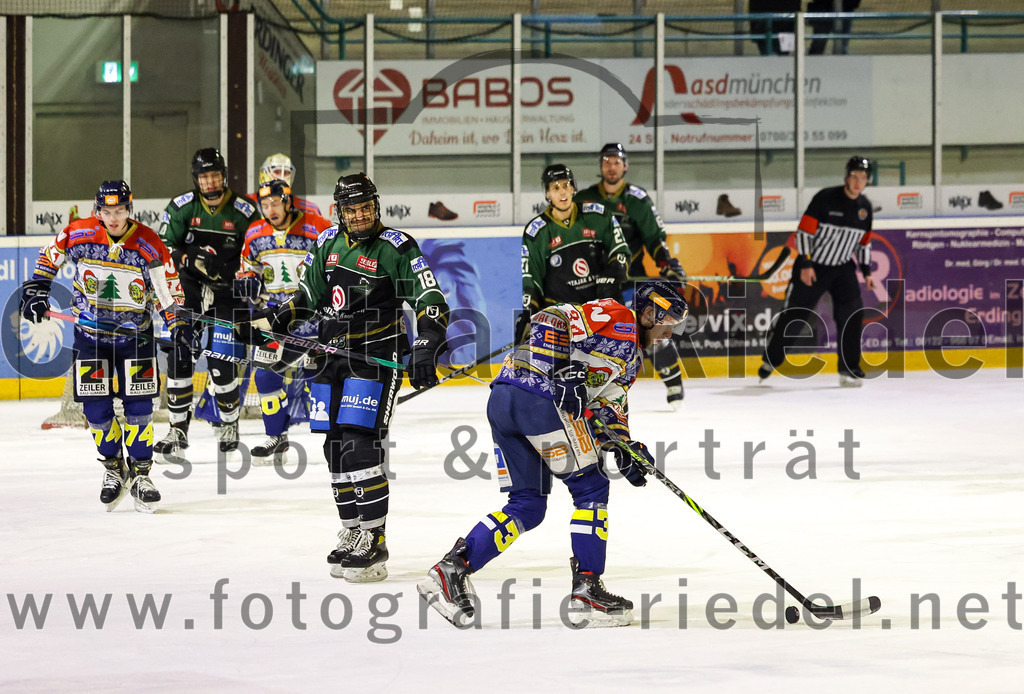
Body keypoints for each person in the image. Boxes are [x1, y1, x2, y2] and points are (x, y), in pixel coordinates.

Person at [417, 280, 689, 629]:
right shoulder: (618, 315)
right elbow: (550, 318)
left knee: (527, 505)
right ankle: (587, 590)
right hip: (536, 400)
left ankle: (452, 570)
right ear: (649, 312)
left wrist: (625, 447)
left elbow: (608, 410)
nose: (670, 334)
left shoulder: (631, 361)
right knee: (591, 488)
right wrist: (564, 371)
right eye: (669, 323)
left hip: (505, 400)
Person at [258, 173, 449, 582]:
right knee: (334, 447)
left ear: (376, 206)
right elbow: (308, 297)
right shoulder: (326, 242)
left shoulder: (396, 247)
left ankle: (375, 539)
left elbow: (430, 299)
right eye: (352, 209)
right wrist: (279, 318)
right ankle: (352, 530)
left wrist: (426, 343)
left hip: (374, 358)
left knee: (359, 444)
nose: (360, 215)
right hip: (329, 358)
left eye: (366, 208)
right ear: (340, 212)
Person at [20, 181, 186, 512]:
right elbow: (49, 257)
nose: (114, 218)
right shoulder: (79, 233)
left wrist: (177, 324)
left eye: (120, 211)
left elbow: (166, 290)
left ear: (129, 209)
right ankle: (114, 468)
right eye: (107, 212)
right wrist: (37, 289)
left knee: (140, 409)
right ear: (97, 210)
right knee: (95, 411)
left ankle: (141, 474)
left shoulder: (149, 243)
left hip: (135, 339)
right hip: (90, 338)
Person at [155, 147, 261, 455]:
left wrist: (234, 270)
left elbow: (257, 249)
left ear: (224, 176)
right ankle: (177, 429)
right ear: (196, 179)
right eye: (204, 177)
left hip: (228, 292)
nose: (210, 182)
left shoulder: (244, 211)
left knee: (222, 360)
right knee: (180, 355)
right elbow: (162, 248)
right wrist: (188, 258)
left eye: (215, 175)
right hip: (188, 290)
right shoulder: (181, 207)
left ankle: (229, 423)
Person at [575, 142, 689, 409]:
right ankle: (596, 390)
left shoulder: (636, 200)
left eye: (617, 162)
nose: (611, 167)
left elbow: (654, 238)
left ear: (625, 166)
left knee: (647, 329)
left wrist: (667, 264)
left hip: (629, 282)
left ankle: (673, 380)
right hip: (594, 285)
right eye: (607, 162)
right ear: (601, 166)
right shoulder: (585, 199)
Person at [233, 179, 334, 459]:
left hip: (315, 319)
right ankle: (276, 436)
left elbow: (336, 266)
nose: (271, 210)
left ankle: (335, 436)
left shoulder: (318, 227)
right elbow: (248, 268)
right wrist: (248, 281)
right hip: (275, 320)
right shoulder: (255, 233)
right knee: (265, 376)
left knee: (320, 380)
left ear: (288, 202)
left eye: (275, 203)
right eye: (265, 205)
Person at [759, 156, 876, 387]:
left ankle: (849, 367)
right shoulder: (826, 198)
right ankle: (771, 359)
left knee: (852, 314)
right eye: (854, 176)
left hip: (842, 267)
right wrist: (805, 263)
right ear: (847, 176)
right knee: (795, 316)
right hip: (814, 266)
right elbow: (804, 233)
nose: (858, 182)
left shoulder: (865, 208)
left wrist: (867, 271)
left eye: (863, 178)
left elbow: (864, 243)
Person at [516, 163, 629, 343]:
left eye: (566, 185)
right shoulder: (537, 233)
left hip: (598, 312)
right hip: (562, 317)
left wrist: (611, 276)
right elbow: (532, 281)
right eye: (555, 188)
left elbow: (620, 251)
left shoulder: (598, 216)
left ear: (573, 188)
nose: (562, 192)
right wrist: (530, 315)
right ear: (547, 194)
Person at [250, 153, 323, 216]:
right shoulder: (249, 203)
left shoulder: (309, 209)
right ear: (264, 174)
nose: (281, 177)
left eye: (285, 173)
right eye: (276, 172)